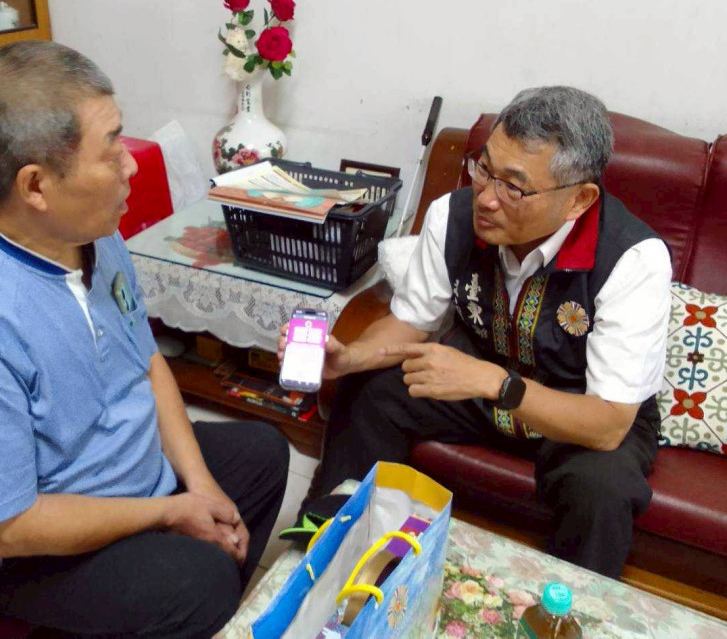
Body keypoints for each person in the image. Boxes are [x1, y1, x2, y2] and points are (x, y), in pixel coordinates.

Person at [0, 41, 289, 639]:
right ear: (35, 185)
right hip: (18, 552)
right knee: (201, 580)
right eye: (111, 150)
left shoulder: (92, 234)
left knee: (263, 453)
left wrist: (202, 487)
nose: (131, 166)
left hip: (126, 475)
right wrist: (170, 511)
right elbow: (7, 529)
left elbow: (146, 361)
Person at [283, 86, 670, 578]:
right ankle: (324, 549)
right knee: (371, 389)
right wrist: (350, 357)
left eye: (515, 188)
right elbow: (411, 321)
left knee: (603, 486)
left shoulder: (634, 259)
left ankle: (562, 608)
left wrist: (494, 382)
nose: (486, 199)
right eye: (484, 169)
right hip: (477, 387)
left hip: (577, 411)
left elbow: (609, 423)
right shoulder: (453, 215)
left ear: (579, 199)